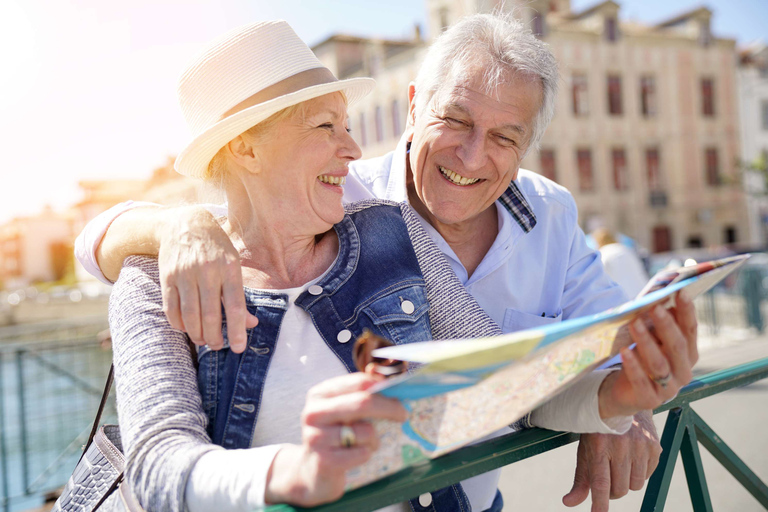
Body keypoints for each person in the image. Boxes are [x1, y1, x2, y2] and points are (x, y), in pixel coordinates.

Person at [77, 14, 696, 512]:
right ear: (245, 146)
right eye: (327, 125)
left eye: (505, 136)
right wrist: (296, 473)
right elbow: (159, 465)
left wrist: (616, 399)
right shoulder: (149, 278)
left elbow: (510, 388)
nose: (353, 149)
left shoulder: (390, 230)